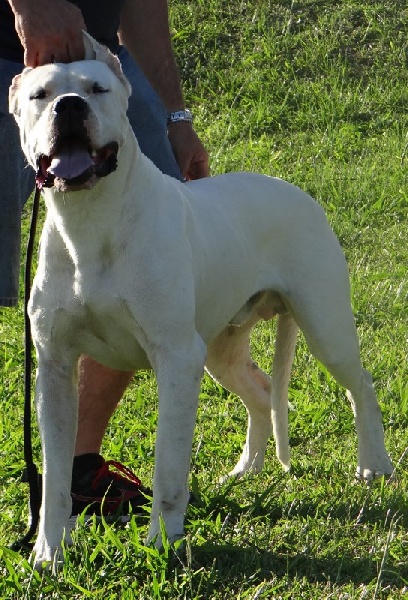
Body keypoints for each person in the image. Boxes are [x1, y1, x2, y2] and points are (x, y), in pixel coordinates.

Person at [1, 0, 209, 519]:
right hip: (11, 52)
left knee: (150, 254)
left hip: (105, 61)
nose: (67, 107)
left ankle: (76, 469)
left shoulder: (105, 84)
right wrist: (30, 6)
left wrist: (175, 117)